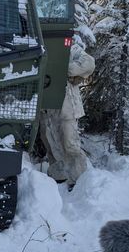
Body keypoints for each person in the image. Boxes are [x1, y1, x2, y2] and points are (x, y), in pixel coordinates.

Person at [40, 46, 95, 185]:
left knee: (70, 143)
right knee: (50, 141)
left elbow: (89, 62)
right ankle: (58, 176)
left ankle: (79, 180)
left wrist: (66, 69)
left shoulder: (69, 48)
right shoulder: (37, 44)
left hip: (67, 105)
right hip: (46, 105)